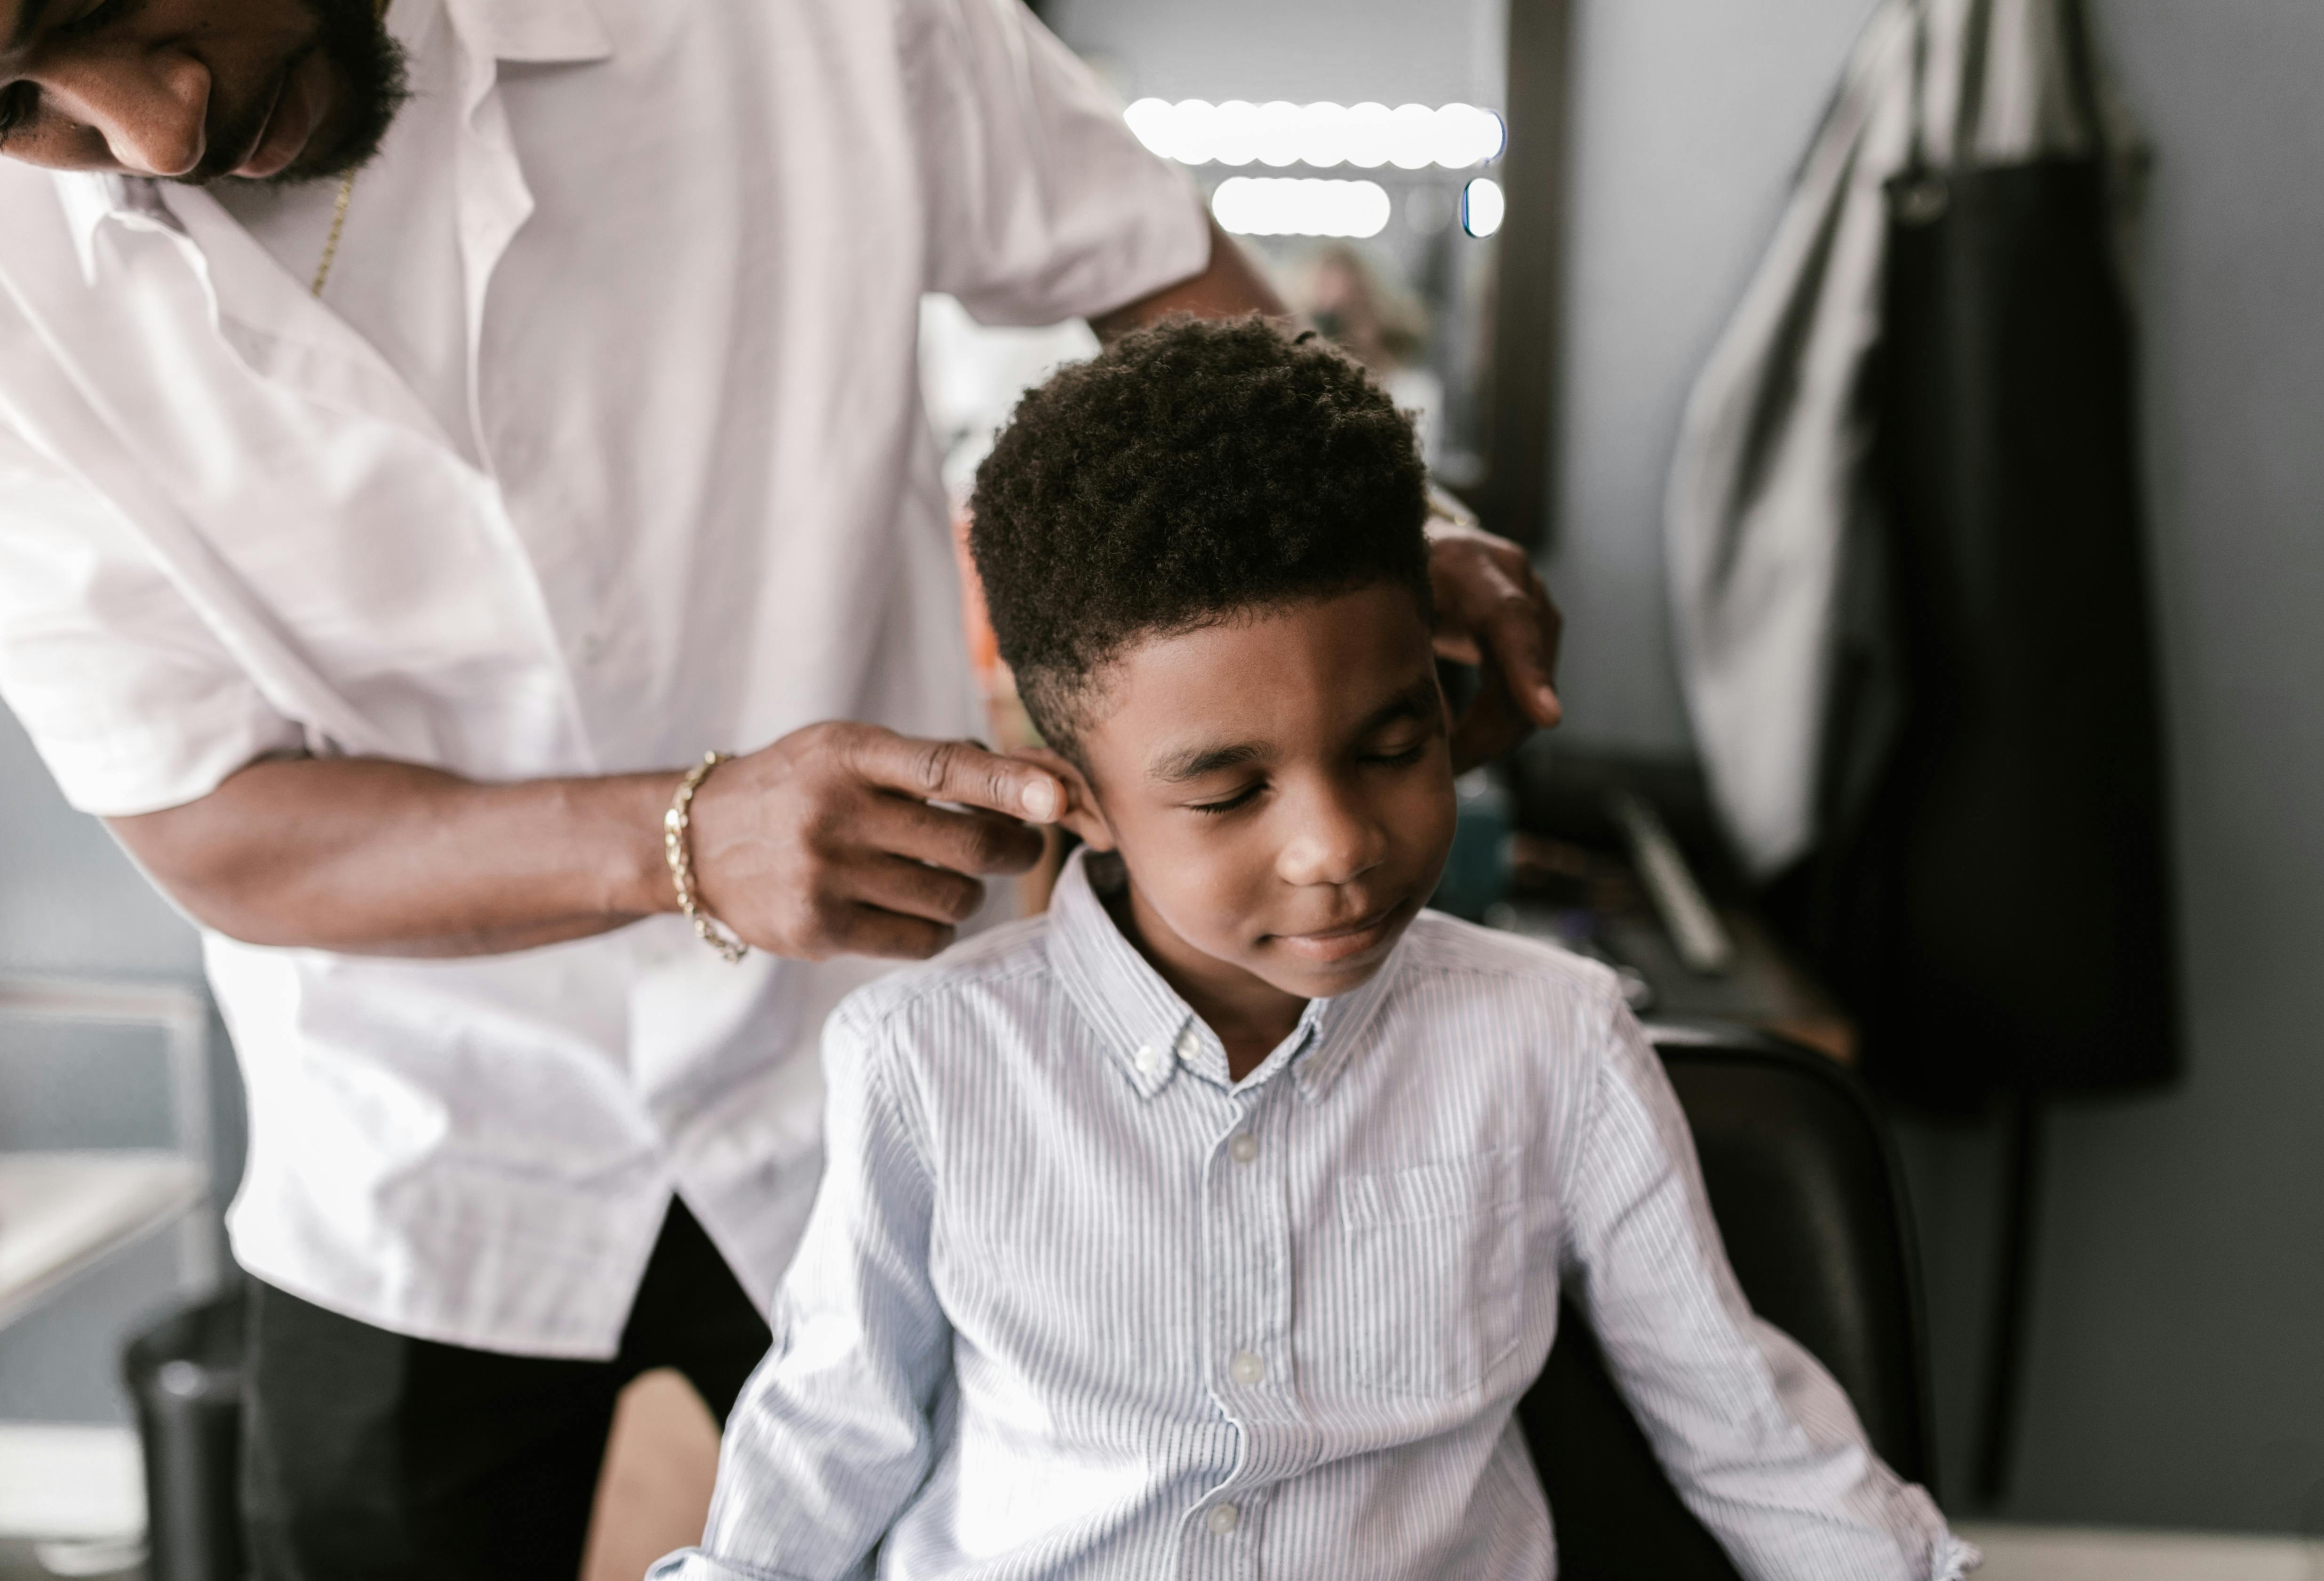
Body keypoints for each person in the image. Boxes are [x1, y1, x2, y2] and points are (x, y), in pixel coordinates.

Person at [0, 0, 1564, 1574]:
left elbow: (1147, 266)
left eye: (116, 5)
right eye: (17, 99)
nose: (153, 128)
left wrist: (1390, 538)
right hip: (417, 1141)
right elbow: (213, 828)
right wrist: (682, 838)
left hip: (907, 1102)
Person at [657, 318, 1972, 1581]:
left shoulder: (1554, 1039)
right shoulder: (926, 1059)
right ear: (1081, 796)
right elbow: (832, 1438)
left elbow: (1748, 1434)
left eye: (1394, 748)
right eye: (1230, 795)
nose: (1337, 844)